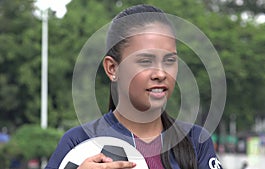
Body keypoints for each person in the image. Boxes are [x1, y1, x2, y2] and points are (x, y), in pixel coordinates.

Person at [46, 4, 222, 169]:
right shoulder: (78, 143)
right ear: (112, 68)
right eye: (145, 61)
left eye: (170, 60)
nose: (160, 74)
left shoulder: (195, 141)